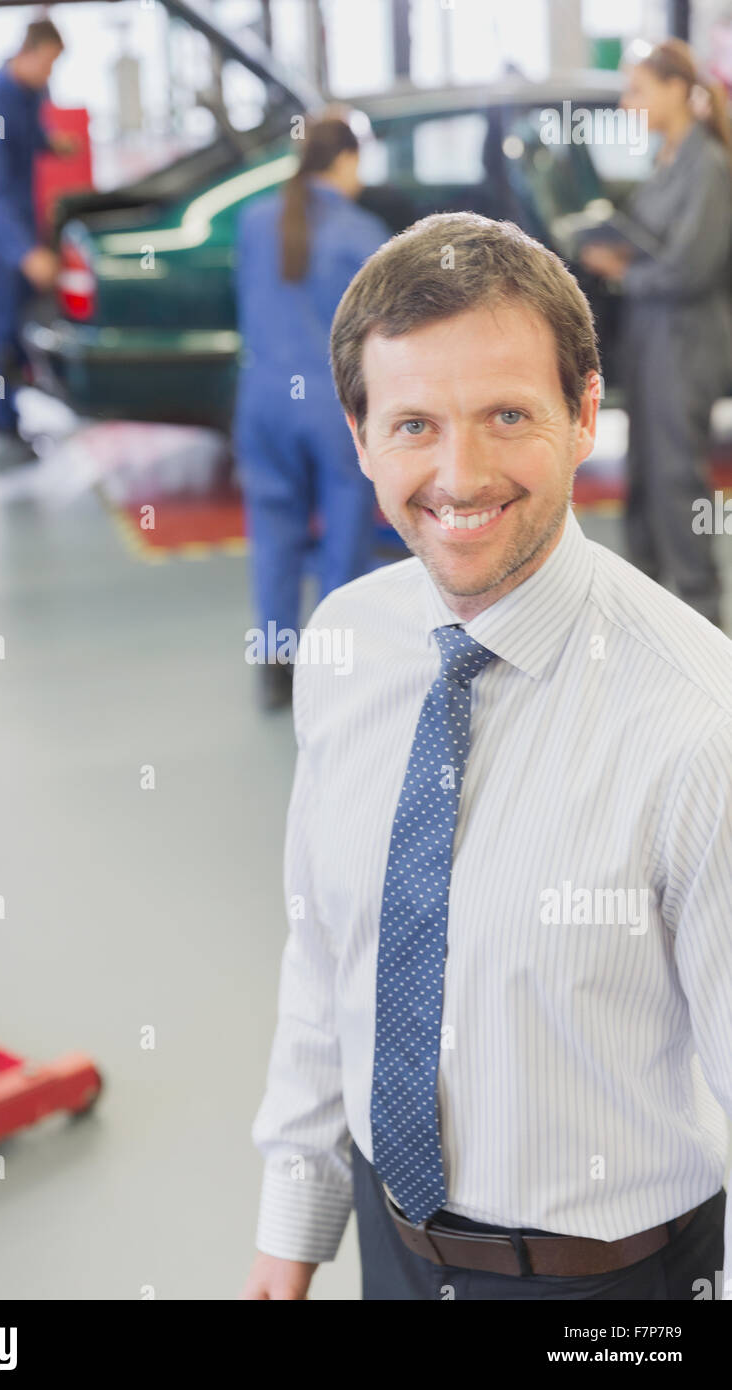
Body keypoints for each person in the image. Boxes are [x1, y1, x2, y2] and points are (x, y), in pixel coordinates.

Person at [242, 212, 732, 1301]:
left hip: (608, 1286)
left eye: (505, 414)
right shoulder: (344, 645)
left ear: (581, 413)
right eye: (413, 424)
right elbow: (329, 955)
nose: (457, 475)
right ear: (359, 435)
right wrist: (292, 1224)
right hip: (389, 1245)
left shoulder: (700, 727)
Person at [232, 116, 390, 711]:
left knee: (273, 534)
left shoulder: (253, 222)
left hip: (264, 401)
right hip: (330, 409)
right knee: (344, 537)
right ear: (346, 162)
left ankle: (274, 671)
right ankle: (336, 676)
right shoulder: (362, 232)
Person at [580, 37, 732, 629]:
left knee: (676, 480)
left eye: (637, 90)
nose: (627, 105)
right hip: (650, 340)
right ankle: (647, 621)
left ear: (675, 89)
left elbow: (689, 267)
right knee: (642, 477)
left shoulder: (709, 166)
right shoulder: (667, 158)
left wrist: (624, 270)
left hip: (685, 343)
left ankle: (704, 625)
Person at [0, 18, 75, 448]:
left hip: (20, 224)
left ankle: (12, 406)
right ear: (25, 53)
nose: (50, 75)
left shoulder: (25, 96)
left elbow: (26, 138)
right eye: (47, 64)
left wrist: (52, 143)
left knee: (20, 325)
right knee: (1, 331)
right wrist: (25, 252)